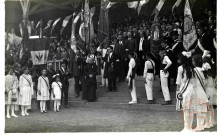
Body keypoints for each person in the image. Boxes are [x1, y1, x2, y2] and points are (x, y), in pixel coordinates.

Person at [175, 51, 195, 132]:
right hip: (191, 89)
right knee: (191, 109)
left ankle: (186, 128)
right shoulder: (191, 68)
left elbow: (178, 82)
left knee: (185, 109)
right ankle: (190, 127)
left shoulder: (180, 68)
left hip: (184, 89)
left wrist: (177, 92)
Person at [192, 55, 209, 131]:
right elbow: (205, 83)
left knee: (198, 110)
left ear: (195, 62)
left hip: (196, 91)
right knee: (202, 109)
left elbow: (192, 82)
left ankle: (199, 126)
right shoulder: (203, 71)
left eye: (193, 61)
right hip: (203, 91)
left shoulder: (194, 70)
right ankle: (202, 125)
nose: (192, 62)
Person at [202, 55, 217, 128]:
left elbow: (205, 84)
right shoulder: (213, 74)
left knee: (207, 107)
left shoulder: (206, 75)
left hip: (207, 90)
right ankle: (213, 121)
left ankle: (208, 122)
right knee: (212, 108)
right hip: (213, 90)